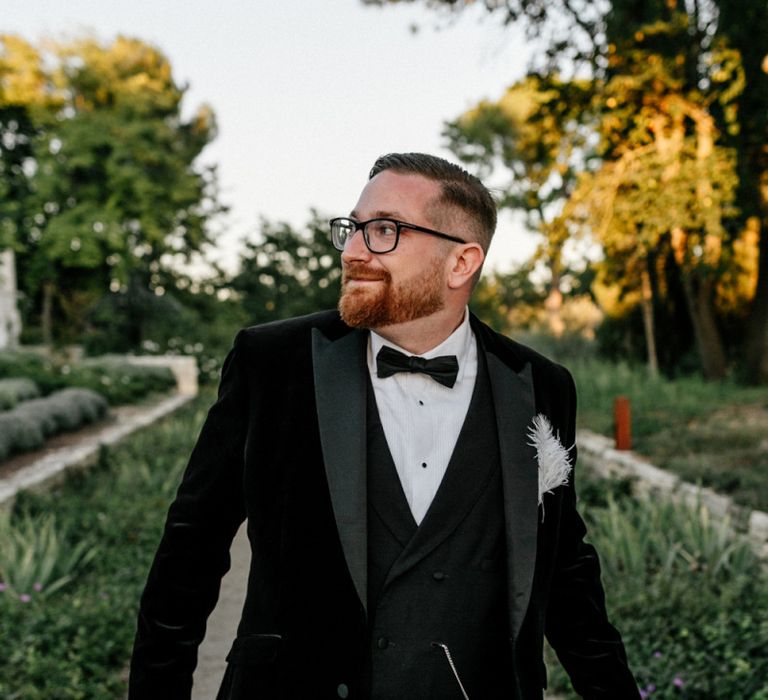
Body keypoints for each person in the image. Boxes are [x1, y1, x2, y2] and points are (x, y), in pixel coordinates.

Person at [129, 152, 640, 699]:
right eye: (352, 229)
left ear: (462, 263)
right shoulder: (273, 363)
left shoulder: (540, 385)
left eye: (383, 231)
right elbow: (190, 552)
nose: (352, 251)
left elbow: (567, 572)